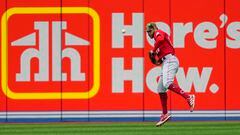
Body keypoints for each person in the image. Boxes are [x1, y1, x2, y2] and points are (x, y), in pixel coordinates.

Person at [146, 22, 195, 127]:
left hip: (170, 60)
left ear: (154, 29)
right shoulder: (158, 45)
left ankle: (188, 97)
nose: (148, 33)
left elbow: (160, 39)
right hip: (165, 62)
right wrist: (155, 60)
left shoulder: (158, 33)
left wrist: (153, 50)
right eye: (147, 32)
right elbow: (158, 61)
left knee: (167, 83)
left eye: (150, 30)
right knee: (160, 89)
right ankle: (164, 114)